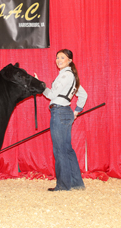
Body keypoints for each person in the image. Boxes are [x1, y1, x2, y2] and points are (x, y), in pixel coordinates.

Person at [35, 49, 88, 191]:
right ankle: (76, 183)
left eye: (62, 57)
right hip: (65, 112)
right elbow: (83, 95)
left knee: (60, 150)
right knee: (67, 149)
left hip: (59, 112)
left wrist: (40, 86)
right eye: (57, 57)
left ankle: (63, 185)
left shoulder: (65, 76)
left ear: (69, 60)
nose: (58, 60)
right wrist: (76, 111)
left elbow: (52, 95)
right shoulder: (71, 76)